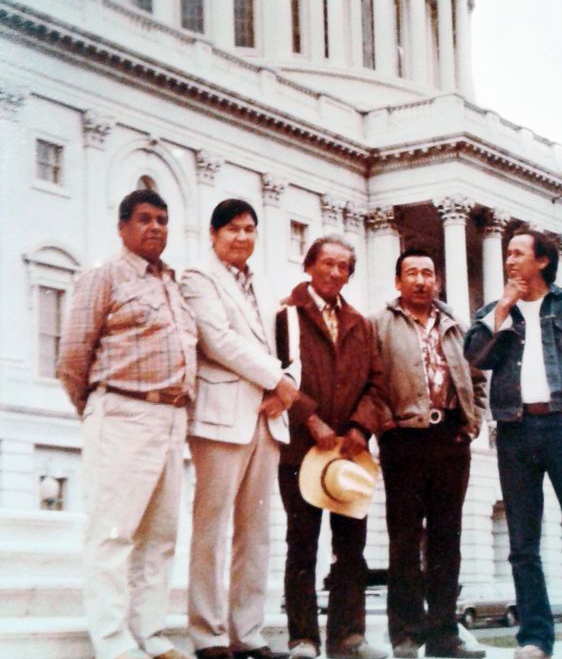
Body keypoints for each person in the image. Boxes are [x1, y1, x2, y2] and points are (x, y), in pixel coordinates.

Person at [57, 188, 197, 659]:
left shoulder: (172, 284)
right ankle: (113, 642)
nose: (155, 227)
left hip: (172, 417)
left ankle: (150, 633)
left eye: (162, 219)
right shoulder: (104, 276)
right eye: (143, 219)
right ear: (122, 227)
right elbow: (72, 357)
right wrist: (100, 408)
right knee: (114, 532)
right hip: (121, 411)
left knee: (160, 536)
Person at [464, 231, 562, 659]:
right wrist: (503, 307)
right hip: (515, 431)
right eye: (506, 254)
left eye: (517, 253)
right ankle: (535, 638)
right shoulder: (494, 312)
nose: (509, 261)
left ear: (541, 261)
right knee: (522, 544)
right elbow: (475, 356)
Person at [180, 199, 299, 659]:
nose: (243, 238)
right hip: (222, 416)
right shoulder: (197, 277)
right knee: (211, 528)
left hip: (268, 418)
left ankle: (246, 633)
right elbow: (218, 340)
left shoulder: (264, 284)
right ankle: (208, 634)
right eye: (233, 229)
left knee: (256, 531)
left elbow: (290, 347)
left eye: (250, 229)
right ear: (213, 233)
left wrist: (289, 385)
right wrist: (279, 379)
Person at [276, 235, 387, 659]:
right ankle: (303, 637)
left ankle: (349, 636)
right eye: (328, 263)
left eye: (344, 266)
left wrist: (362, 427)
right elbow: (276, 375)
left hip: (349, 452)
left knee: (350, 547)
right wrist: (310, 417)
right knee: (301, 542)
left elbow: (376, 384)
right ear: (309, 265)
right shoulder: (285, 314)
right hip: (301, 448)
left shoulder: (360, 324)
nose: (335, 272)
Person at [371, 249, 487, 659]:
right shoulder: (381, 323)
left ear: (436, 280)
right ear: (398, 281)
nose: (421, 280)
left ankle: (443, 635)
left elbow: (476, 376)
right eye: (412, 273)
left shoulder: (454, 325)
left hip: (450, 439)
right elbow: (371, 378)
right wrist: (385, 425)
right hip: (404, 439)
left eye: (427, 273)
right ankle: (405, 633)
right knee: (404, 539)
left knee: (445, 539)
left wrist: (473, 422)